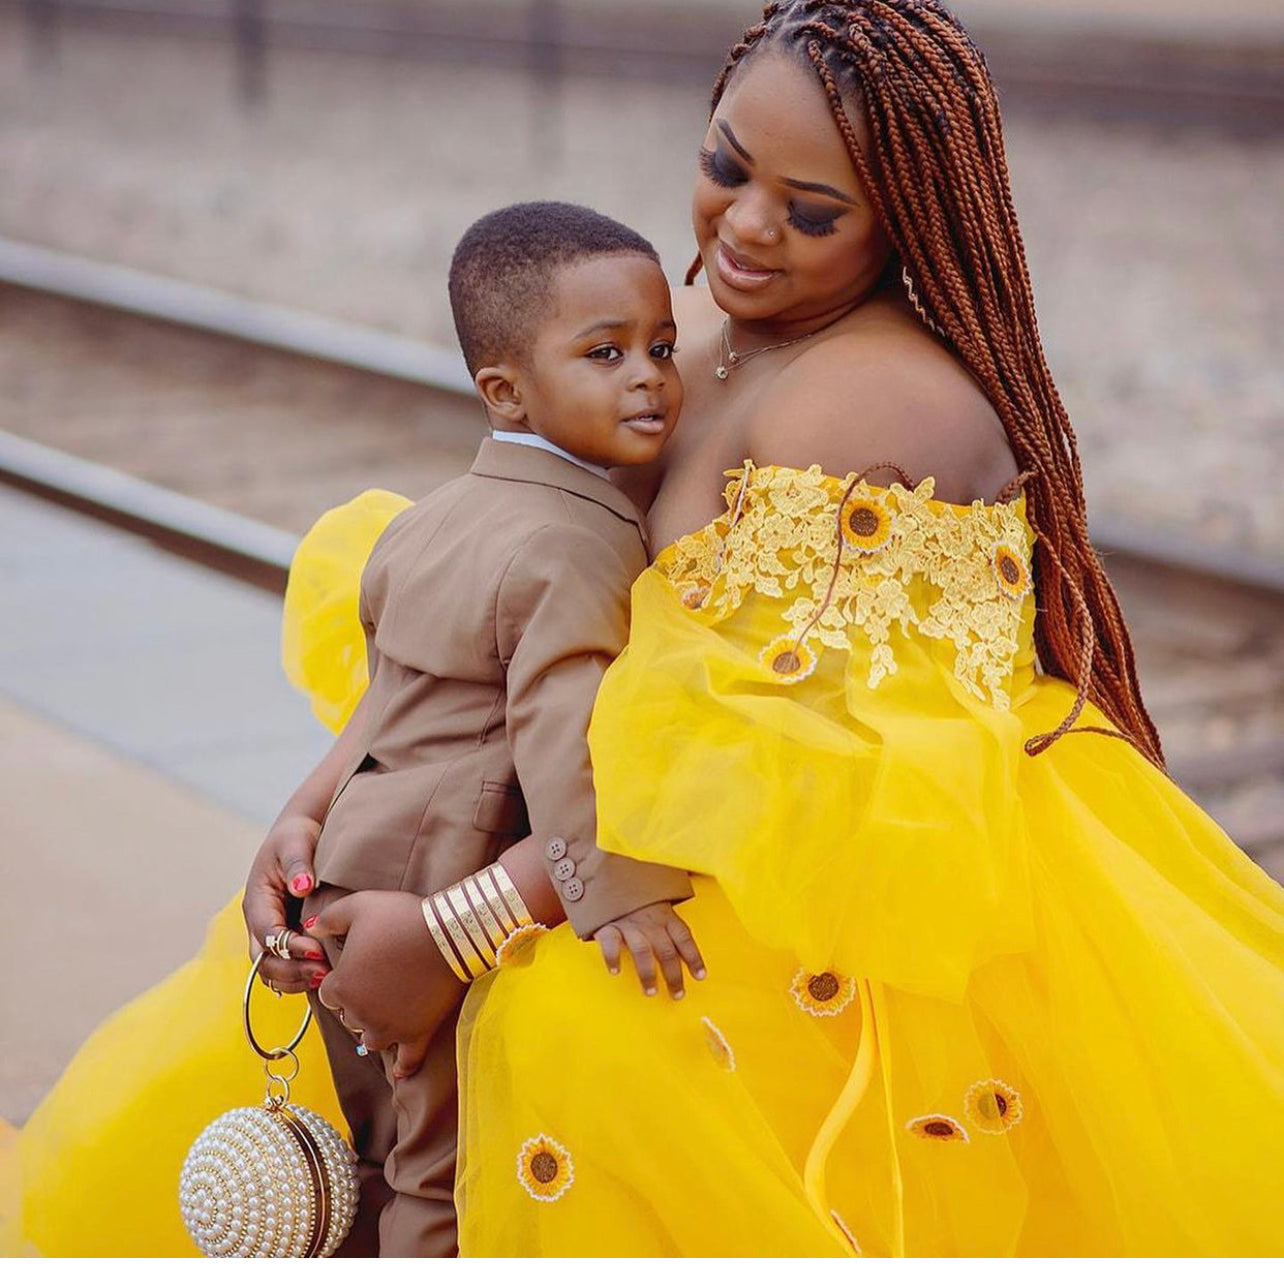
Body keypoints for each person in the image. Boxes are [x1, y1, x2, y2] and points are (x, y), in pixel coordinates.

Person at [8, 0, 1282, 1257]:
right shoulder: (713, 345)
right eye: (726, 166)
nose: (743, 224)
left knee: (567, 1046)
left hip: (794, 904)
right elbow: (505, 617)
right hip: (594, 833)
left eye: (812, 211)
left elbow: (757, 772)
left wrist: (458, 932)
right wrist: (316, 809)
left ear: (907, 222)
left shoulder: (876, 409)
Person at [253, 200, 699, 1256]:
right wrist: (615, 892)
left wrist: (302, 815)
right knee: (441, 1170)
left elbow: (384, 698)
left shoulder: (427, 517)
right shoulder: (575, 543)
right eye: (605, 353)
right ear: (506, 388)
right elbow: (565, 736)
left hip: (351, 872)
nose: (648, 376)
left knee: (369, 1135)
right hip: (433, 884)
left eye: (662, 347)